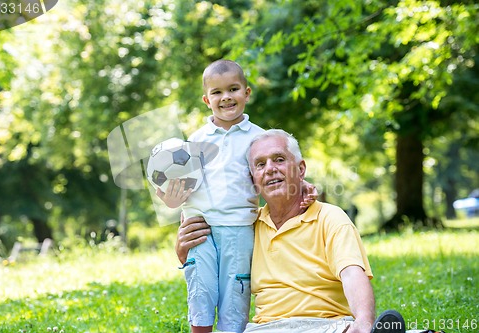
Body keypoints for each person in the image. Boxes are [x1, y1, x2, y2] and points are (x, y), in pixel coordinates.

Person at [176, 129, 412, 333]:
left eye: (279, 159)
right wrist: (184, 253)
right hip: (265, 328)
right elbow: (218, 274)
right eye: (260, 164)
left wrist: (363, 323)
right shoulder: (246, 227)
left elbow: (352, 274)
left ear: (300, 169)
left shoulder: (330, 218)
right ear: (253, 180)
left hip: (325, 325)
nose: (269, 169)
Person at [156, 61, 315, 333]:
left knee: (235, 291)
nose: (226, 97)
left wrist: (302, 184)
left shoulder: (259, 138)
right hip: (200, 226)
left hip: (240, 227)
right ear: (207, 100)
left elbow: (277, 168)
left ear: (247, 93)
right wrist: (168, 197)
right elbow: (179, 185)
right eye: (217, 92)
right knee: (201, 288)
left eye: (233, 89)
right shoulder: (194, 141)